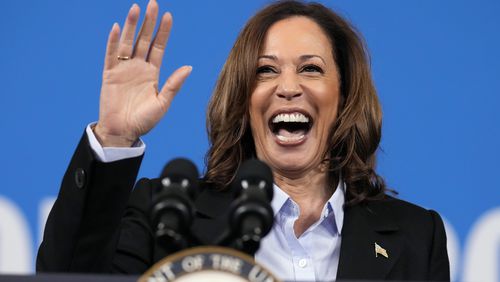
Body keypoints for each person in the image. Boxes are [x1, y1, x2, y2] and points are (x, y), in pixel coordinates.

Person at [37, 0, 450, 280]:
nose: (288, 87)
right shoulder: (167, 218)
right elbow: (67, 276)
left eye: (310, 68)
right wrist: (115, 135)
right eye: (266, 71)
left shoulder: (417, 236)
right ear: (242, 99)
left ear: (344, 96)